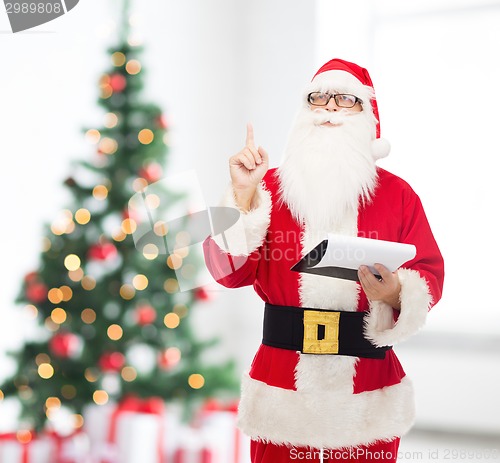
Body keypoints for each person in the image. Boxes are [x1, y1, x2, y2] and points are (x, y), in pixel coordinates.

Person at [203, 58, 445, 463]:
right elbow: (228, 273)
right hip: (282, 389)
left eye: (345, 99)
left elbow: (429, 273)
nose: (329, 107)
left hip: (366, 390)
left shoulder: (398, 195)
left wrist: (397, 291)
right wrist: (243, 197)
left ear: (368, 115)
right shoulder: (267, 188)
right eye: (318, 97)